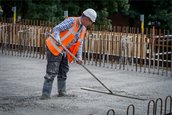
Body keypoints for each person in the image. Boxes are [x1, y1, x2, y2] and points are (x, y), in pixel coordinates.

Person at [40, 8, 97, 99]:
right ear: (86, 18)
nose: (90, 24)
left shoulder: (83, 29)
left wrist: (79, 57)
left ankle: (62, 92)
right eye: (90, 22)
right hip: (54, 47)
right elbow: (56, 28)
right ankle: (45, 95)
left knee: (63, 71)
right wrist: (58, 39)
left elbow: (79, 43)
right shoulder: (71, 21)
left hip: (64, 50)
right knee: (52, 72)